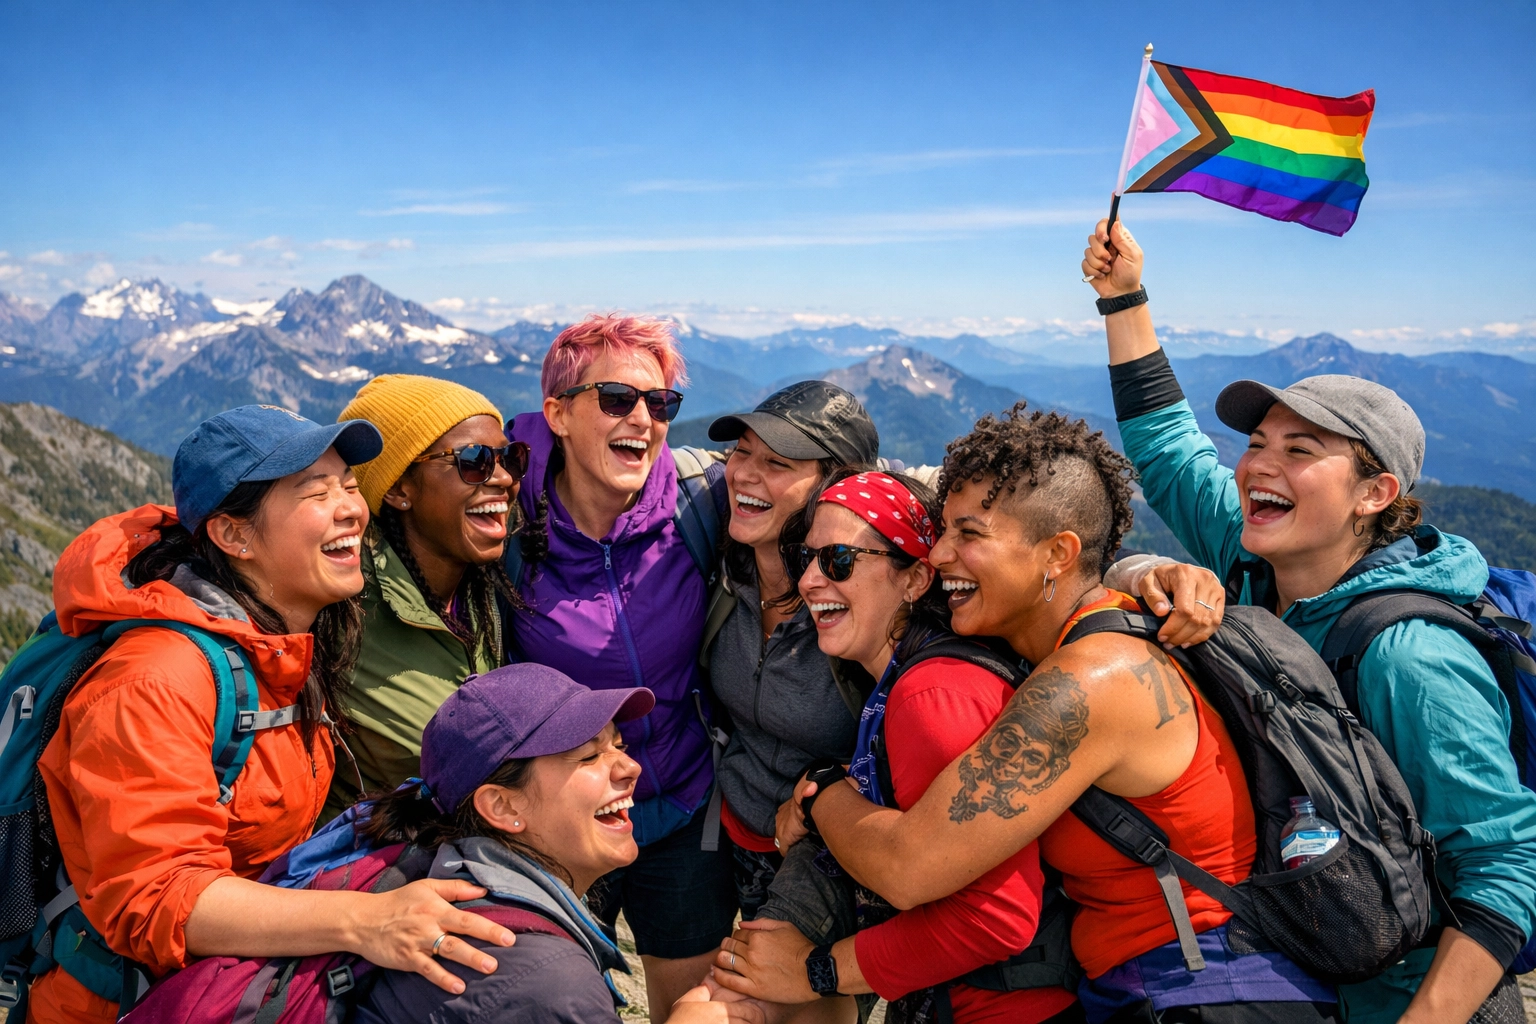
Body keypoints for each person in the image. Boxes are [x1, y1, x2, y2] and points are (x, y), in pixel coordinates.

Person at [727, 407, 1337, 1024]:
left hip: (1204, 989)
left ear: (1057, 554)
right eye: (941, 532)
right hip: (1160, 986)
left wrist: (822, 803)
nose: (937, 555)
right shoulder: (1098, 628)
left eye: (969, 534)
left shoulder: (1089, 682)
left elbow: (912, 867)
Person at [1078, 219, 1536, 1023]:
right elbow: (1168, 449)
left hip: (1410, 1001)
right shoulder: (1255, 563)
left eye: (1302, 449)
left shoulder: (1409, 657)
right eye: (1257, 442)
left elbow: (1505, 864)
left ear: (1375, 495)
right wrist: (1124, 297)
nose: (1259, 464)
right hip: (1298, 979)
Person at [30, 406, 517, 1024]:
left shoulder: (278, 649)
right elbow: (160, 900)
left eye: (348, 485)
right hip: (126, 1005)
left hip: (224, 990)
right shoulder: (155, 679)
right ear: (234, 536)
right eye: (317, 493)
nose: (351, 509)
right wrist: (366, 920)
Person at [714, 467, 1085, 1024]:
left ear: (915, 580)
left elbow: (997, 918)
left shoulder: (930, 695)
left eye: (838, 560)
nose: (810, 581)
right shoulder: (908, 681)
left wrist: (818, 970)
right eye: (804, 559)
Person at [505, 314, 735, 1019]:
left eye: (660, 403)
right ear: (558, 415)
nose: (643, 418)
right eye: (616, 399)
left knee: (688, 1008)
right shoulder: (506, 526)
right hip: (562, 824)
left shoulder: (701, 504)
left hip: (683, 810)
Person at [352, 662, 758, 1023]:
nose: (631, 767)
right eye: (587, 756)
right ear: (500, 804)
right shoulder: (546, 979)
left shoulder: (444, 879)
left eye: (618, 745)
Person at [704, 382, 879, 921]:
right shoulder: (725, 566)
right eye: (742, 452)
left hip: (831, 860)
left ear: (835, 486)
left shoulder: (868, 595)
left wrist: (1135, 573)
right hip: (730, 836)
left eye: (777, 463)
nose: (744, 475)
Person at [323, 374, 529, 817]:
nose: (503, 478)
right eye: (473, 460)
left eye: (510, 456)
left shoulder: (479, 587)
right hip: (380, 868)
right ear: (399, 489)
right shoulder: (342, 604)